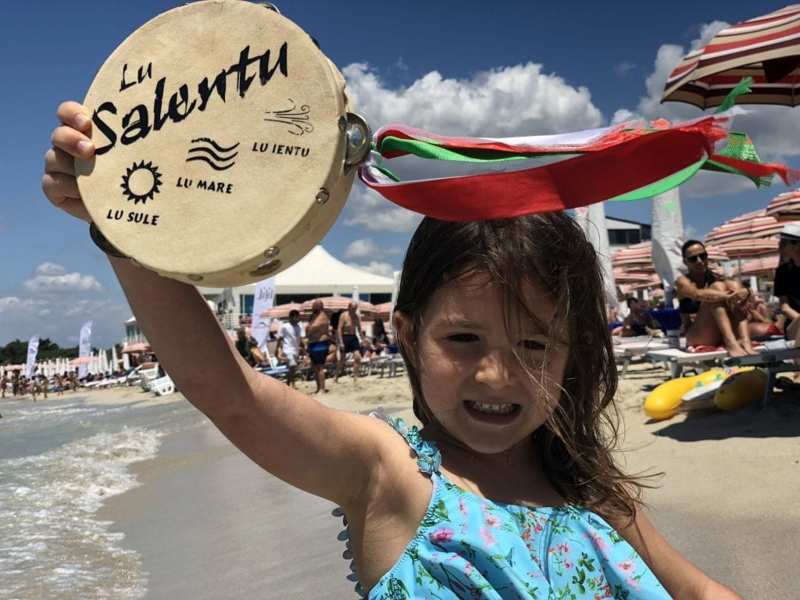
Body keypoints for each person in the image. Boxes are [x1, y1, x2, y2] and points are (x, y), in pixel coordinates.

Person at [43, 101, 742, 599]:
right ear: (407, 333)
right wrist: (119, 225)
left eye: (535, 344)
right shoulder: (389, 472)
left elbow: (699, 590)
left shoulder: (590, 491)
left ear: (573, 354)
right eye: (463, 338)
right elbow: (232, 394)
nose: (498, 373)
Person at [675, 240, 756, 357]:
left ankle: (745, 340)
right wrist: (728, 296)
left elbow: (741, 291)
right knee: (717, 289)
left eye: (703, 256)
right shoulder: (682, 281)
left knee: (733, 285)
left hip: (720, 332)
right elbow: (698, 294)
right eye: (693, 259)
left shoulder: (715, 276)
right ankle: (730, 342)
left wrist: (745, 292)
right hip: (696, 334)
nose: (699, 261)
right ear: (685, 262)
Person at [774, 223, 800, 342]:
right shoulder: (782, 272)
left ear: (797, 245)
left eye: (783, 244)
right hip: (794, 326)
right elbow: (784, 307)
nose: (779, 248)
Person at [306, 300, 332, 394]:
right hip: (313, 343)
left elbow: (312, 328)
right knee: (315, 367)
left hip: (320, 344)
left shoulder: (322, 316)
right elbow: (309, 329)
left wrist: (308, 328)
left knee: (320, 367)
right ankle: (318, 388)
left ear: (319, 307)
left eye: (314, 307)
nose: (312, 308)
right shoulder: (314, 316)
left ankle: (322, 388)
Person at [335, 301, 362, 382]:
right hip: (345, 337)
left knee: (357, 357)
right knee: (342, 360)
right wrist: (341, 342)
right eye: (353, 308)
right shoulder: (343, 315)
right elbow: (339, 329)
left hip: (353, 337)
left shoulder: (357, 316)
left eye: (355, 308)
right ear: (349, 307)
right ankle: (336, 376)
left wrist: (363, 339)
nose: (354, 310)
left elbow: (359, 329)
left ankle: (355, 378)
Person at [277, 310, 304, 388]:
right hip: (288, 349)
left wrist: (304, 349)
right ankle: (288, 384)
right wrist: (277, 350)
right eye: (296, 316)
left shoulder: (299, 326)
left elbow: (301, 339)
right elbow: (280, 338)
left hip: (296, 350)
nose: (298, 318)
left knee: (293, 368)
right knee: (293, 366)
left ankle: (292, 384)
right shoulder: (285, 326)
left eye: (298, 316)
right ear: (291, 317)